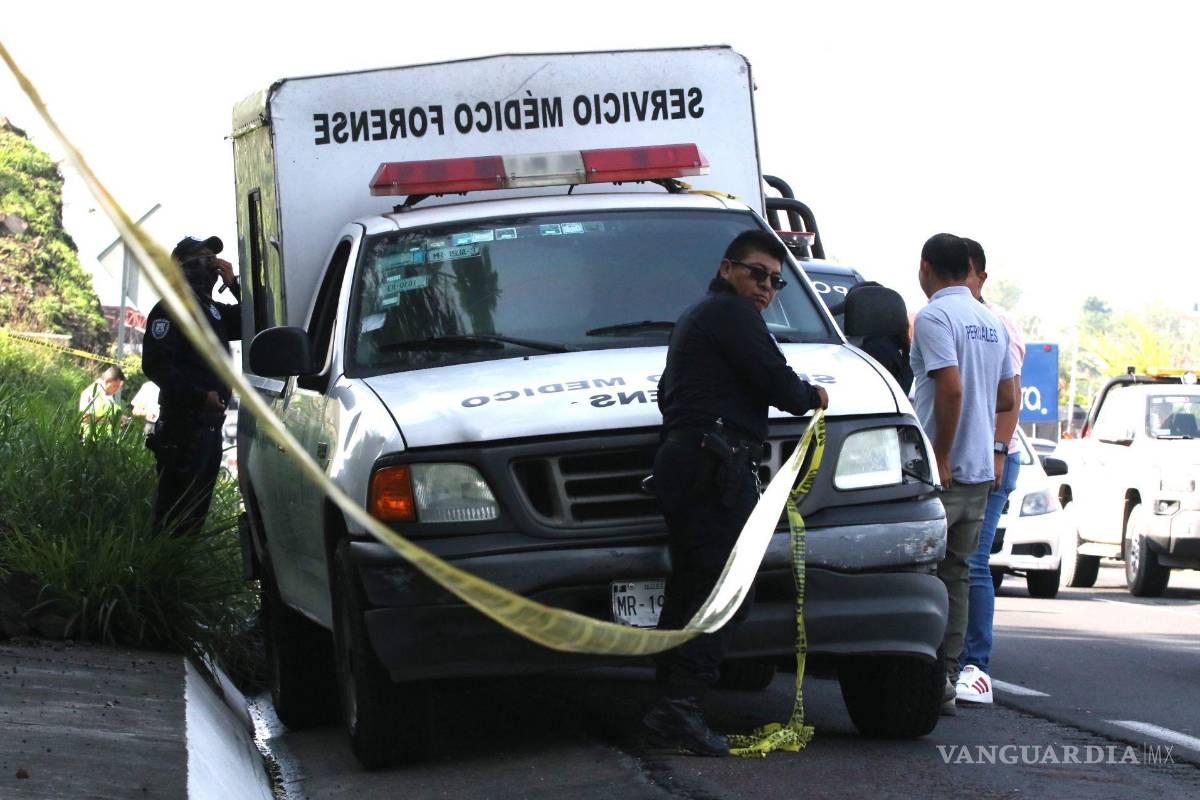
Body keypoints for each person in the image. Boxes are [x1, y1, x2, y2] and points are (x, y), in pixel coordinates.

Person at [642, 229, 829, 756]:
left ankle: (669, 705)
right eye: (757, 273)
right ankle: (678, 711)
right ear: (728, 268)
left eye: (777, 281)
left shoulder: (697, 318)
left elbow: (666, 394)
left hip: (690, 459)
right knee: (726, 595)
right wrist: (814, 394)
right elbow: (782, 385)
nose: (767, 287)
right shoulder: (730, 315)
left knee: (692, 590)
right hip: (714, 466)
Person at [908, 233, 1015, 715]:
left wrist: (942, 453)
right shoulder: (991, 322)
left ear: (927, 267)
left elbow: (948, 390)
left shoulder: (934, 316)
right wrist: (986, 445)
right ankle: (947, 678)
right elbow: (1008, 399)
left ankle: (920, 676)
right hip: (978, 473)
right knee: (957, 577)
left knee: (918, 574)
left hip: (943, 473)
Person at [957, 238, 1025, 705]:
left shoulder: (998, 325)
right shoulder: (937, 319)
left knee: (974, 563)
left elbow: (1010, 396)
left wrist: (999, 452)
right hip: (958, 455)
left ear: (981, 277)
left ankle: (975, 666)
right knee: (952, 562)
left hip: (994, 457)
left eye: (966, 274)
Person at [142, 235, 241, 537]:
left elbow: (254, 320)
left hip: (210, 428)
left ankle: (179, 575)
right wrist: (199, 397)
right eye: (205, 260)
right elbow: (157, 365)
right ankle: (161, 579)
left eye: (214, 261)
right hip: (184, 428)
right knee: (175, 516)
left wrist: (234, 285)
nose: (212, 267)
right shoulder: (171, 308)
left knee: (194, 516)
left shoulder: (211, 310)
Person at [79, 366, 126, 434]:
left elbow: (107, 413)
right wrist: (113, 421)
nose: (117, 390)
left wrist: (120, 417)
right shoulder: (92, 393)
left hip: (105, 440)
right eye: (115, 386)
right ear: (106, 381)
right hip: (90, 439)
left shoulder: (108, 394)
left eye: (119, 387)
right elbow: (85, 418)